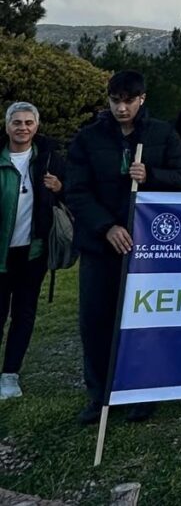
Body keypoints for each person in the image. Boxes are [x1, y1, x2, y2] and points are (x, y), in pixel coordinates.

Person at [66, 71, 181, 424]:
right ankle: (100, 394)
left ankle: (140, 389)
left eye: (128, 101)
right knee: (96, 320)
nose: (122, 108)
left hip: (146, 246)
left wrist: (151, 175)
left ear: (142, 99)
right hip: (100, 245)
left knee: (142, 320)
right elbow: (76, 190)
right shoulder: (88, 138)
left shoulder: (162, 134)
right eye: (115, 101)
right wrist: (105, 226)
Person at [0, 102, 65, 400]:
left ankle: (10, 374)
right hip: (1, 252)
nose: (22, 128)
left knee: (23, 314)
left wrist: (60, 187)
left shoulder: (48, 158)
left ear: (36, 126)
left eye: (28, 122)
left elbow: (74, 191)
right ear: (7, 126)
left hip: (32, 252)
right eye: (17, 122)